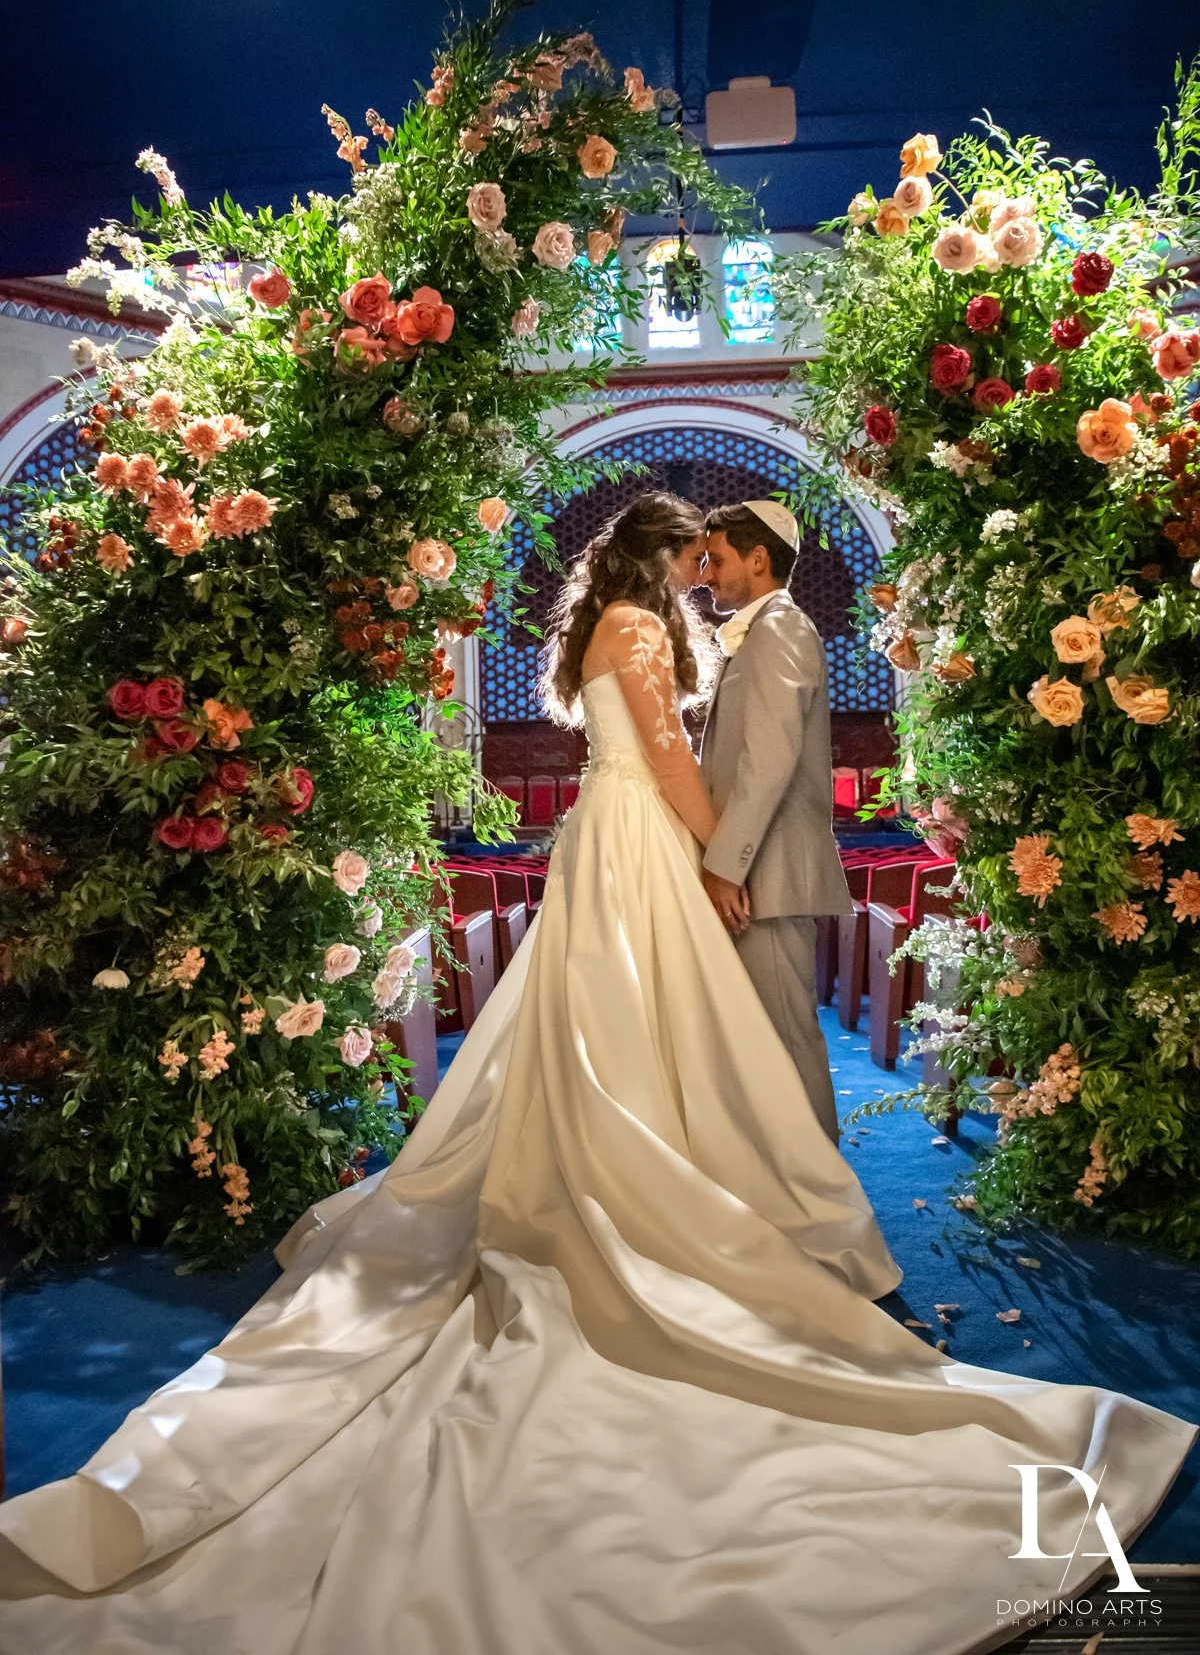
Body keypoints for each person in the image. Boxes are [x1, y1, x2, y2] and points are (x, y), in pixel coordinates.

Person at [0, 490, 1193, 1655]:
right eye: (690, 557)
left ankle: (676, 1161)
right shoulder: (636, 629)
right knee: (648, 1015)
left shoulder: (616, 627)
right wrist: (715, 851)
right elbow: (673, 762)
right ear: (660, 559)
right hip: (640, 838)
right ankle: (664, 1185)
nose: (700, 574)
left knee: (636, 1019)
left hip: (610, 837)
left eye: (709, 559)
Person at [700, 499, 851, 1147]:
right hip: (753, 873)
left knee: (787, 1037)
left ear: (758, 559)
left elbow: (769, 760)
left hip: (767, 874)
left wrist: (723, 867)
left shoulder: (782, 628)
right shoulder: (760, 632)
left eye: (716, 558)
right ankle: (788, 1186)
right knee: (762, 1040)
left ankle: (826, 1201)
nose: (704, 572)